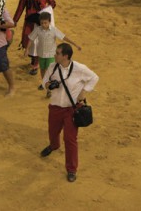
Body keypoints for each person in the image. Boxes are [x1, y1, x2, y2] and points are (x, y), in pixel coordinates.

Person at [40, 42, 99, 183]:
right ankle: (54, 145)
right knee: (53, 133)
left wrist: (84, 91)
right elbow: (44, 82)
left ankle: (72, 169)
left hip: (71, 110)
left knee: (70, 139)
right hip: (55, 108)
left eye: (57, 53)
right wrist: (48, 85)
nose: (55, 55)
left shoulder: (79, 68)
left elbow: (94, 78)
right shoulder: (52, 67)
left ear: (65, 56)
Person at [13, 0, 57, 74]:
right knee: (29, 39)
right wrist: (15, 20)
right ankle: (34, 59)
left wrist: (43, 14)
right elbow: (21, 5)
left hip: (40, 21)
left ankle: (36, 64)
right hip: (29, 18)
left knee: (38, 41)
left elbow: (53, 4)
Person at [28, 13, 81, 97]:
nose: (43, 25)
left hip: (51, 55)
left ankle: (49, 89)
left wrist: (75, 44)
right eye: (41, 23)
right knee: (42, 70)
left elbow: (64, 37)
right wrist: (27, 49)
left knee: (50, 71)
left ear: (49, 22)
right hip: (41, 54)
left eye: (45, 23)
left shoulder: (54, 30)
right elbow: (31, 39)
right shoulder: (38, 29)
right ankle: (45, 83)